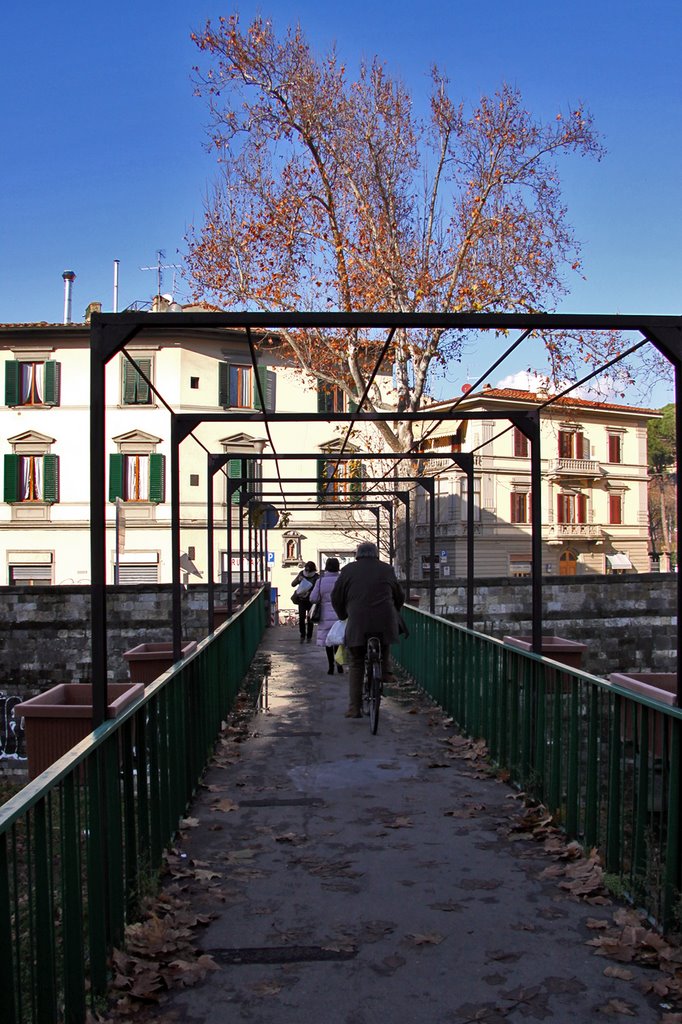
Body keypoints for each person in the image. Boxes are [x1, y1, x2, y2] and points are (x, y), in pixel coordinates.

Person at [331, 541, 404, 718]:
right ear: (376, 554)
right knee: (384, 641)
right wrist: (395, 609)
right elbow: (399, 595)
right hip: (385, 619)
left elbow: (336, 596)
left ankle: (354, 708)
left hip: (357, 621)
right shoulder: (387, 569)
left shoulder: (348, 570)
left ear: (358, 554)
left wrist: (342, 615)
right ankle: (386, 672)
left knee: (356, 662)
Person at [309, 557, 344, 674]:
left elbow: (313, 598)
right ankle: (339, 663)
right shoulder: (342, 580)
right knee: (338, 639)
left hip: (325, 615)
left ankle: (330, 667)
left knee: (328, 642)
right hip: (340, 614)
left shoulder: (320, 581)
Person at [291, 560, 319, 642]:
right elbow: (293, 584)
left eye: (308, 570)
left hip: (310, 600)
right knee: (302, 618)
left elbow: (317, 588)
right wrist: (298, 580)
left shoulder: (316, 577)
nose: (307, 572)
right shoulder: (301, 574)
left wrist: (309, 592)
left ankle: (308, 636)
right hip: (302, 599)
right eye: (306, 570)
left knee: (310, 618)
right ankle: (302, 635)